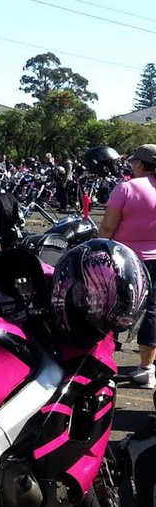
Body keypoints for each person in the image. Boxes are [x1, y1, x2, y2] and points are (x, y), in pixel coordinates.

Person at [99, 144, 156, 388]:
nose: (131, 165)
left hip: (127, 260)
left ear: (141, 164)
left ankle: (101, 361)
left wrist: (97, 249)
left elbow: (108, 228)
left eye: (134, 162)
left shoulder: (126, 188)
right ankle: (147, 369)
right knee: (153, 311)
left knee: (113, 310)